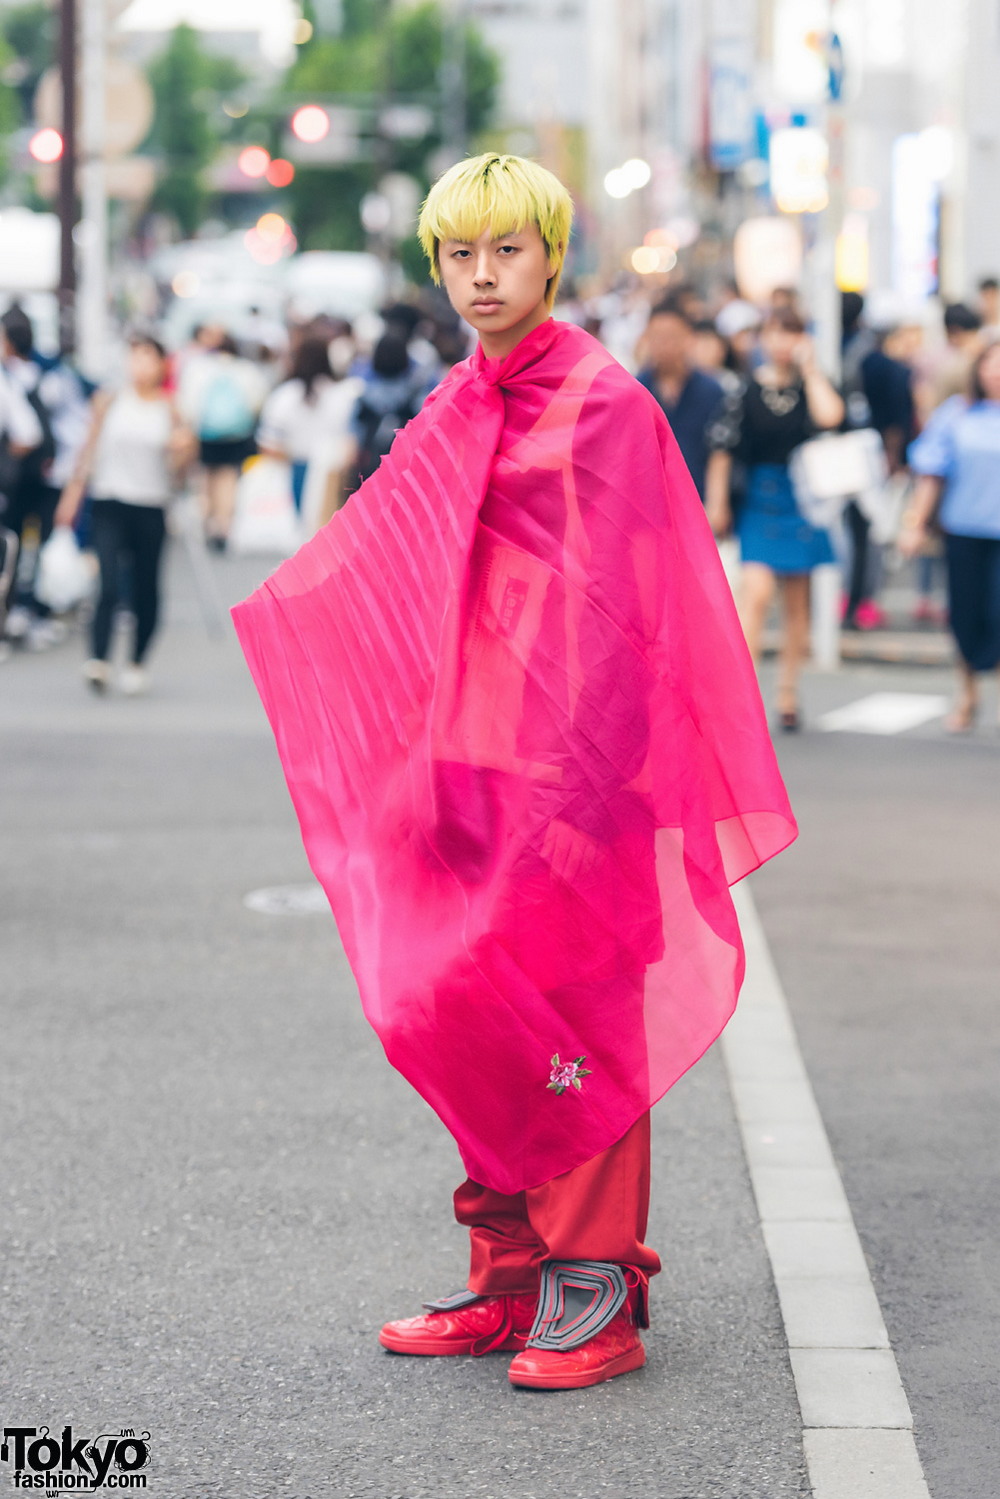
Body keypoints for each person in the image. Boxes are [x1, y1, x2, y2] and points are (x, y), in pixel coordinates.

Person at [232, 152, 795, 1392]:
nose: (483, 275)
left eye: (507, 249)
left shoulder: (599, 403)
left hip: (584, 774)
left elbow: (630, 618)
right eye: (459, 254)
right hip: (466, 763)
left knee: (578, 1018)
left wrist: (585, 792)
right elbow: (390, 557)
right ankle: (504, 1274)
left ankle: (593, 1289)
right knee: (458, 1002)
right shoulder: (460, 399)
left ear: (551, 255)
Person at [705, 306, 845, 730]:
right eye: (776, 332)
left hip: (803, 498)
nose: (783, 341)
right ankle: (742, 692)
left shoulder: (811, 386)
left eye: (792, 332)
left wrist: (812, 368)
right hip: (758, 500)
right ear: (763, 337)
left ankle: (787, 690)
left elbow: (831, 418)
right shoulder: (744, 390)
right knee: (758, 592)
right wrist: (717, 504)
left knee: (798, 600)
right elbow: (722, 450)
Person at [55, 336, 194, 694]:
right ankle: (99, 659)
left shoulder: (171, 408)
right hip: (108, 501)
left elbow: (181, 473)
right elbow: (89, 450)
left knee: (146, 587)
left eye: (147, 357)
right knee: (110, 581)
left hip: (151, 504)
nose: (139, 365)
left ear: (162, 364)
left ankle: (136, 661)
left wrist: (181, 450)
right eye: (134, 357)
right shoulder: (109, 400)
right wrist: (72, 496)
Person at [901, 337, 1000, 730]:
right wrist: (914, 524)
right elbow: (931, 473)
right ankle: (968, 696)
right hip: (964, 531)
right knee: (965, 618)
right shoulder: (956, 414)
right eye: (990, 363)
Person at [256, 335, 362, 518]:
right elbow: (351, 442)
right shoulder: (344, 395)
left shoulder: (284, 396)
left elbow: (268, 443)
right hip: (334, 473)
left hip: (295, 469)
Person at [178, 331, 267, 551]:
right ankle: (223, 526)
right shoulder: (246, 370)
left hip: (206, 433)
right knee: (228, 479)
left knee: (206, 477)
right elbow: (257, 401)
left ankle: (208, 522)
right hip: (236, 434)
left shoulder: (201, 368)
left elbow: (188, 403)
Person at [635, 300, 724, 501]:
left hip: (698, 498)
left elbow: (719, 452)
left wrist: (717, 502)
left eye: (672, 337)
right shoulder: (636, 391)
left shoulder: (712, 391)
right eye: (657, 337)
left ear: (688, 338)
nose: (665, 344)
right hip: (650, 502)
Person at [351, 331, 434, 483]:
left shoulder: (362, 392)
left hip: (368, 468)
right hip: (404, 467)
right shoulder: (416, 393)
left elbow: (354, 432)